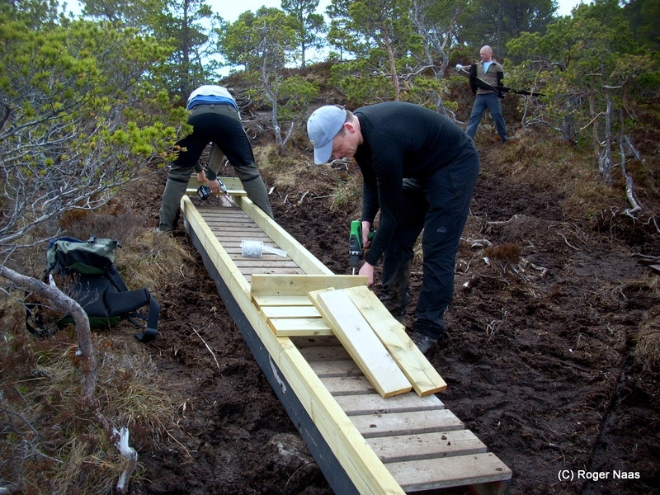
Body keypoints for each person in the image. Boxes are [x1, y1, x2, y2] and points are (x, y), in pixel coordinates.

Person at [307, 102, 480, 354]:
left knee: (436, 248)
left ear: (348, 128)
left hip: (453, 165)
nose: (336, 157)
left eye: (335, 149)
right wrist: (366, 219)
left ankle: (428, 329)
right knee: (398, 237)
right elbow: (370, 181)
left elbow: (391, 213)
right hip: (421, 168)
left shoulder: (383, 141)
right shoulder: (360, 138)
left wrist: (370, 263)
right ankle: (392, 308)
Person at [158, 85, 273, 232]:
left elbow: (188, 150)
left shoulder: (195, 94)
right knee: (248, 171)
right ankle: (270, 223)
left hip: (196, 113)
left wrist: (202, 172)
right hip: (227, 115)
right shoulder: (230, 102)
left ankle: (165, 229)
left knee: (178, 173)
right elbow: (220, 145)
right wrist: (210, 175)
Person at [465, 45, 508, 143]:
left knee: (497, 117)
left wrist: (500, 94)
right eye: (480, 54)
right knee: (474, 118)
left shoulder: (497, 67)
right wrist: (459, 67)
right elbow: (467, 68)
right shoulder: (476, 66)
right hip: (480, 96)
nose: (481, 56)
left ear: (490, 53)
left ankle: (504, 139)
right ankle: (467, 140)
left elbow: (501, 82)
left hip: (492, 96)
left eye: (483, 54)